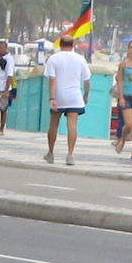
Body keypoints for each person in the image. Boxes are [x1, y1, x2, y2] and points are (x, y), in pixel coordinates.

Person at [43, 35, 91, 166]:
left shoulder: (53, 58)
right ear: (73, 44)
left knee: (54, 124)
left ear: (60, 44)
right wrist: (85, 95)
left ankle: (51, 153)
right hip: (75, 96)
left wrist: (52, 97)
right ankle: (70, 155)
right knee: (72, 126)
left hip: (58, 95)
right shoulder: (80, 59)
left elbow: (52, 79)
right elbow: (87, 80)